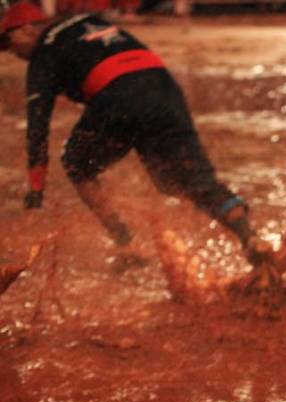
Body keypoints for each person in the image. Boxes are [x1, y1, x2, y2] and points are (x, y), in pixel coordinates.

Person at [0, 1, 268, 266]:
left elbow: (37, 128)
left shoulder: (42, 55)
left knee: (76, 164)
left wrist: (35, 190)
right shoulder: (91, 21)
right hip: (164, 89)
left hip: (118, 96)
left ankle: (126, 242)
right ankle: (250, 237)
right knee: (186, 181)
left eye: (10, 44)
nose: (13, 54)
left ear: (26, 29)